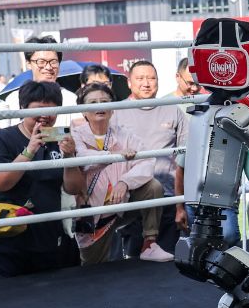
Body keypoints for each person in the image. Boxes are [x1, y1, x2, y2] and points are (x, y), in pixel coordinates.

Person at [0, 81, 82, 279]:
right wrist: (30, 150)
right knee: (9, 297)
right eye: (38, 108)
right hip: (9, 233)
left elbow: (74, 188)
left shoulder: (60, 138)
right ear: (22, 108)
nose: (45, 115)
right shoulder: (1, 138)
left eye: (52, 108)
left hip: (49, 232)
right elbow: (1, 183)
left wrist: (70, 157)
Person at [71, 82, 173, 264]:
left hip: (121, 204)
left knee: (153, 186)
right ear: (83, 111)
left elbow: (147, 161)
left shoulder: (125, 134)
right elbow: (82, 157)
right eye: (93, 102)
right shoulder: (76, 134)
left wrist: (125, 182)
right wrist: (114, 155)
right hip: (92, 213)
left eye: (104, 101)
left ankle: (149, 244)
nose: (100, 106)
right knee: (91, 267)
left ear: (113, 109)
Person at [113, 60, 189, 252]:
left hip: (168, 200)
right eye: (140, 78)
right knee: (134, 268)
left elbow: (184, 159)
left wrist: (181, 205)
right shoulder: (116, 112)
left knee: (167, 267)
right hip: (133, 201)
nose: (146, 83)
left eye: (151, 78)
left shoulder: (173, 110)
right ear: (129, 82)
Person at [2, 36, 77, 125]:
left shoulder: (72, 100)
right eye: (41, 62)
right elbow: (2, 134)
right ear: (28, 63)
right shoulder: (13, 99)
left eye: (53, 62)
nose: (48, 67)